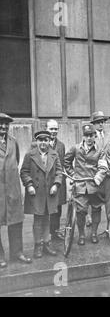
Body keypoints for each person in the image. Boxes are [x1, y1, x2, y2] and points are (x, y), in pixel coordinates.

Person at [20, 129, 62, 258]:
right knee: (38, 219)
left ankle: (46, 243)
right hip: (36, 193)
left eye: (46, 140)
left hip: (50, 193)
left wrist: (56, 184)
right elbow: (24, 172)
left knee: (47, 218)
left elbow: (59, 172)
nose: (43, 143)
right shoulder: (30, 155)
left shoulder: (54, 154)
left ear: (49, 141)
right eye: (40, 140)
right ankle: (38, 245)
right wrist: (29, 185)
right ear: (36, 141)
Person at [64, 124, 108, 245]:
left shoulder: (100, 150)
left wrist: (97, 178)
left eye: (91, 136)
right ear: (83, 137)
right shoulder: (76, 148)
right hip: (80, 185)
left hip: (95, 185)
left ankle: (94, 233)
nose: (89, 138)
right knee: (81, 211)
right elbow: (66, 161)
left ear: (95, 136)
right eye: (86, 136)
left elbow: (103, 167)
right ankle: (82, 234)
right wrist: (73, 174)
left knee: (96, 209)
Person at [0, 113, 32, 268]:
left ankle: (17, 252)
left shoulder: (13, 142)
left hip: (13, 188)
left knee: (16, 222)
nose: (4, 127)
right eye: (1, 124)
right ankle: (0, 256)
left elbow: (16, 161)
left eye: (6, 124)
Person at [88, 111, 110, 225]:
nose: (100, 125)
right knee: (94, 200)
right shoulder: (90, 137)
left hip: (108, 173)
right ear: (93, 124)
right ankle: (92, 222)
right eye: (98, 122)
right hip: (95, 173)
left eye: (102, 122)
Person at [46, 119, 67, 241]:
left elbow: (63, 163)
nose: (53, 131)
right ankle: (45, 235)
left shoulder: (61, 145)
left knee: (57, 208)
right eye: (51, 129)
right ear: (46, 129)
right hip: (45, 181)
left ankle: (55, 232)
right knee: (45, 209)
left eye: (55, 129)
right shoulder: (39, 143)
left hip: (58, 181)